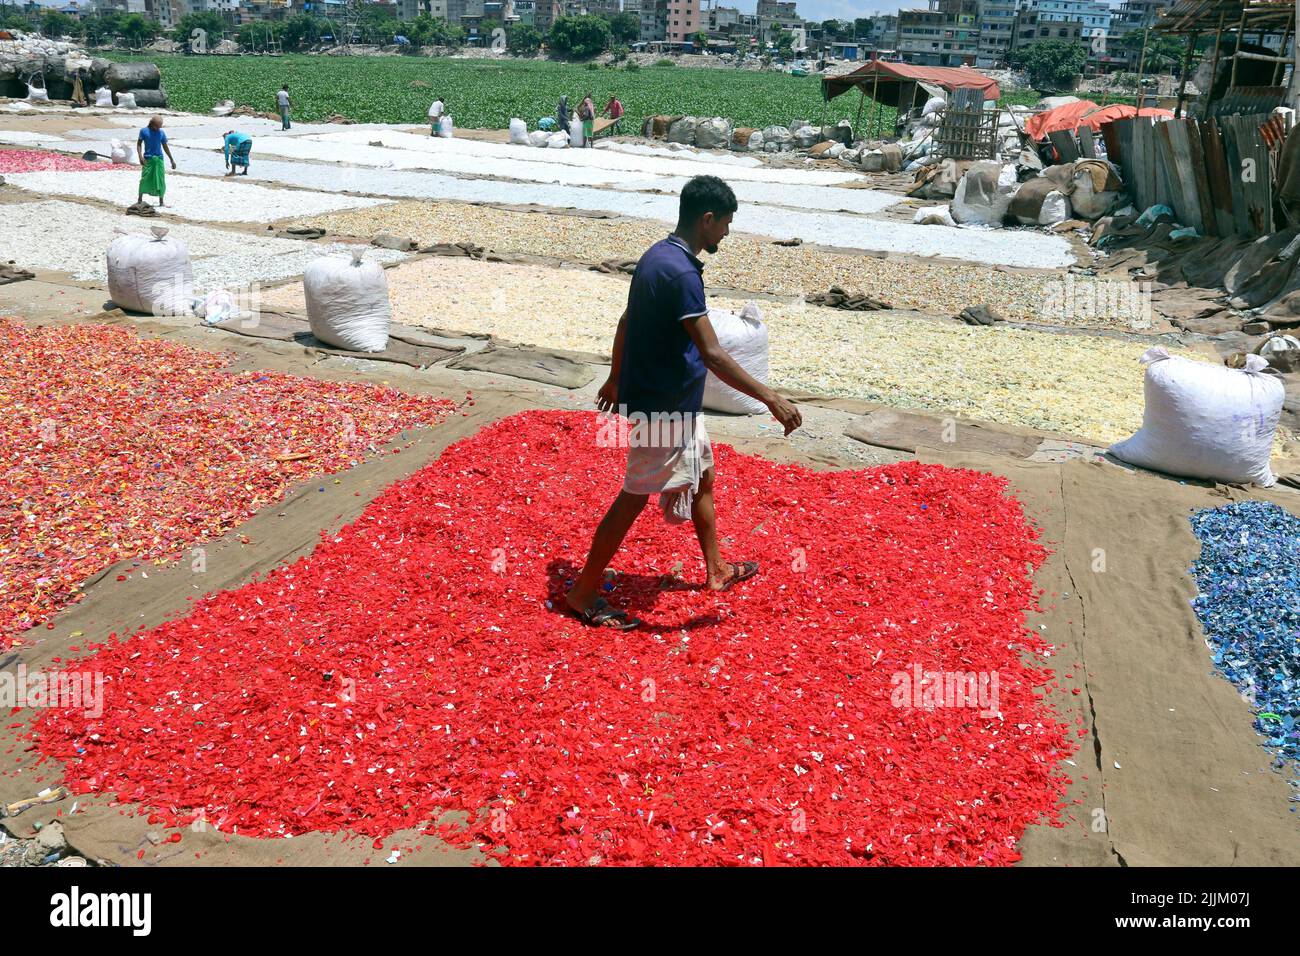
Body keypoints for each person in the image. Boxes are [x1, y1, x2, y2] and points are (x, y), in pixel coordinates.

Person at [564, 176, 802, 629]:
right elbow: (712, 353)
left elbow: (626, 321)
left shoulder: (657, 257)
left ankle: (716, 571)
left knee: (705, 477)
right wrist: (772, 399)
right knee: (633, 497)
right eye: (725, 225)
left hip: (677, 403)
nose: (726, 234)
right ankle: (582, 592)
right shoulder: (681, 274)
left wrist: (615, 378)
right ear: (706, 219)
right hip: (663, 407)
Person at [136, 116, 176, 207]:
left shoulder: (161, 132)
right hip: (148, 159)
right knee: (145, 178)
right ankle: (139, 199)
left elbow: (165, 146)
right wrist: (140, 156)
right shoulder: (143, 131)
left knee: (160, 180)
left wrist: (171, 159)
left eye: (160, 126)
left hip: (159, 159)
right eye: (157, 126)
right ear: (152, 124)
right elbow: (139, 144)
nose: (159, 128)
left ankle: (161, 201)